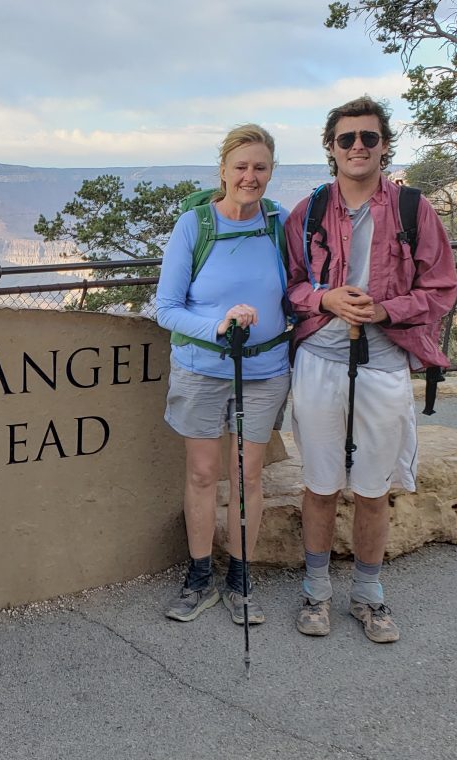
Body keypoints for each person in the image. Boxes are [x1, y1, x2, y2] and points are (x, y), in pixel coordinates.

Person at [284, 96, 456, 643]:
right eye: (346, 139)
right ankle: (316, 590)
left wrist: (386, 309)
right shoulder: (307, 212)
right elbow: (289, 287)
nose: (358, 147)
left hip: (382, 364)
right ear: (330, 148)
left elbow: (441, 288)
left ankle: (368, 594)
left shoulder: (413, 209)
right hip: (318, 360)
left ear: (384, 146)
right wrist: (324, 299)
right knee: (319, 483)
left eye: (369, 138)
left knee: (373, 487)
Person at [155, 124, 291, 625]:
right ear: (223, 171)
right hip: (202, 369)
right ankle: (198, 576)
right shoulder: (195, 225)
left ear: (271, 172)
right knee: (202, 473)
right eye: (241, 167)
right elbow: (166, 308)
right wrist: (218, 325)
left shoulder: (280, 225)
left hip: (265, 370)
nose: (249, 177)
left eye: (259, 167)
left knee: (247, 476)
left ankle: (240, 576)